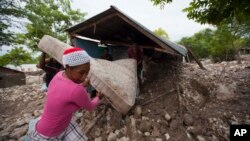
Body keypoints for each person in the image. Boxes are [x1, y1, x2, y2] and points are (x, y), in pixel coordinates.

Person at [27, 47, 103, 140]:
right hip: (49, 135)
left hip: (51, 125)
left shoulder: (59, 74)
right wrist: (98, 97)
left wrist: (82, 85)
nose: (85, 77)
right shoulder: (77, 90)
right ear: (69, 68)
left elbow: (67, 91)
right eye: (81, 73)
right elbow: (90, 107)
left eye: (87, 72)